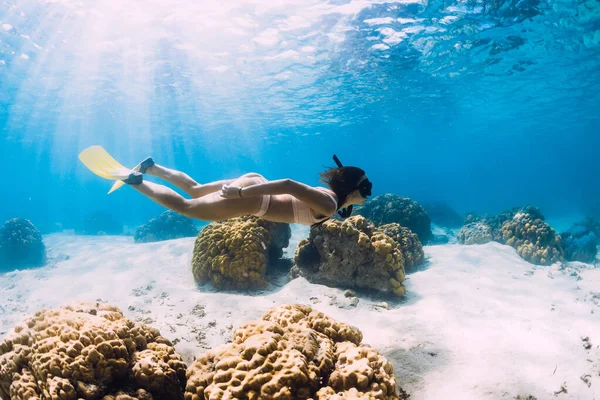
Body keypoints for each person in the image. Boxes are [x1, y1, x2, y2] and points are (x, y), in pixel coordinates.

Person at [78, 146, 372, 226]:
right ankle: (135, 181)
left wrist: (245, 189)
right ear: (353, 189)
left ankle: (151, 166)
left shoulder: (334, 203)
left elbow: (287, 186)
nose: (369, 195)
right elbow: (288, 184)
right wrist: (240, 194)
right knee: (186, 207)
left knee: (194, 189)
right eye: (367, 188)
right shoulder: (331, 204)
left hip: (255, 187)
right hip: (254, 199)